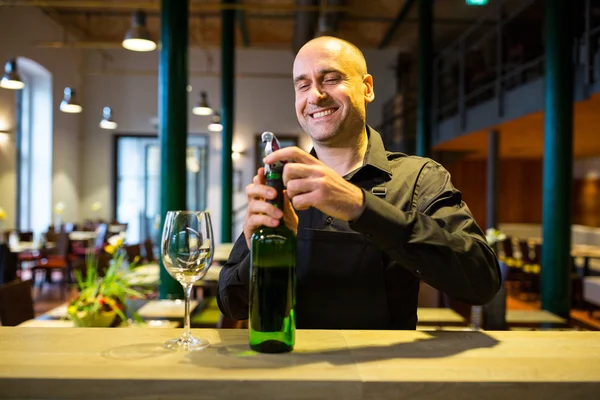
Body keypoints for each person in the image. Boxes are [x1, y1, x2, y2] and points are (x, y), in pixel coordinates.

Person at [217, 36, 500, 330]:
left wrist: (361, 207)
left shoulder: (420, 178)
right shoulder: (282, 185)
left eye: (331, 78)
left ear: (367, 87)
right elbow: (232, 305)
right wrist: (262, 254)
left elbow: (481, 282)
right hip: (294, 366)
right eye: (302, 84)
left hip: (387, 370)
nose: (315, 95)